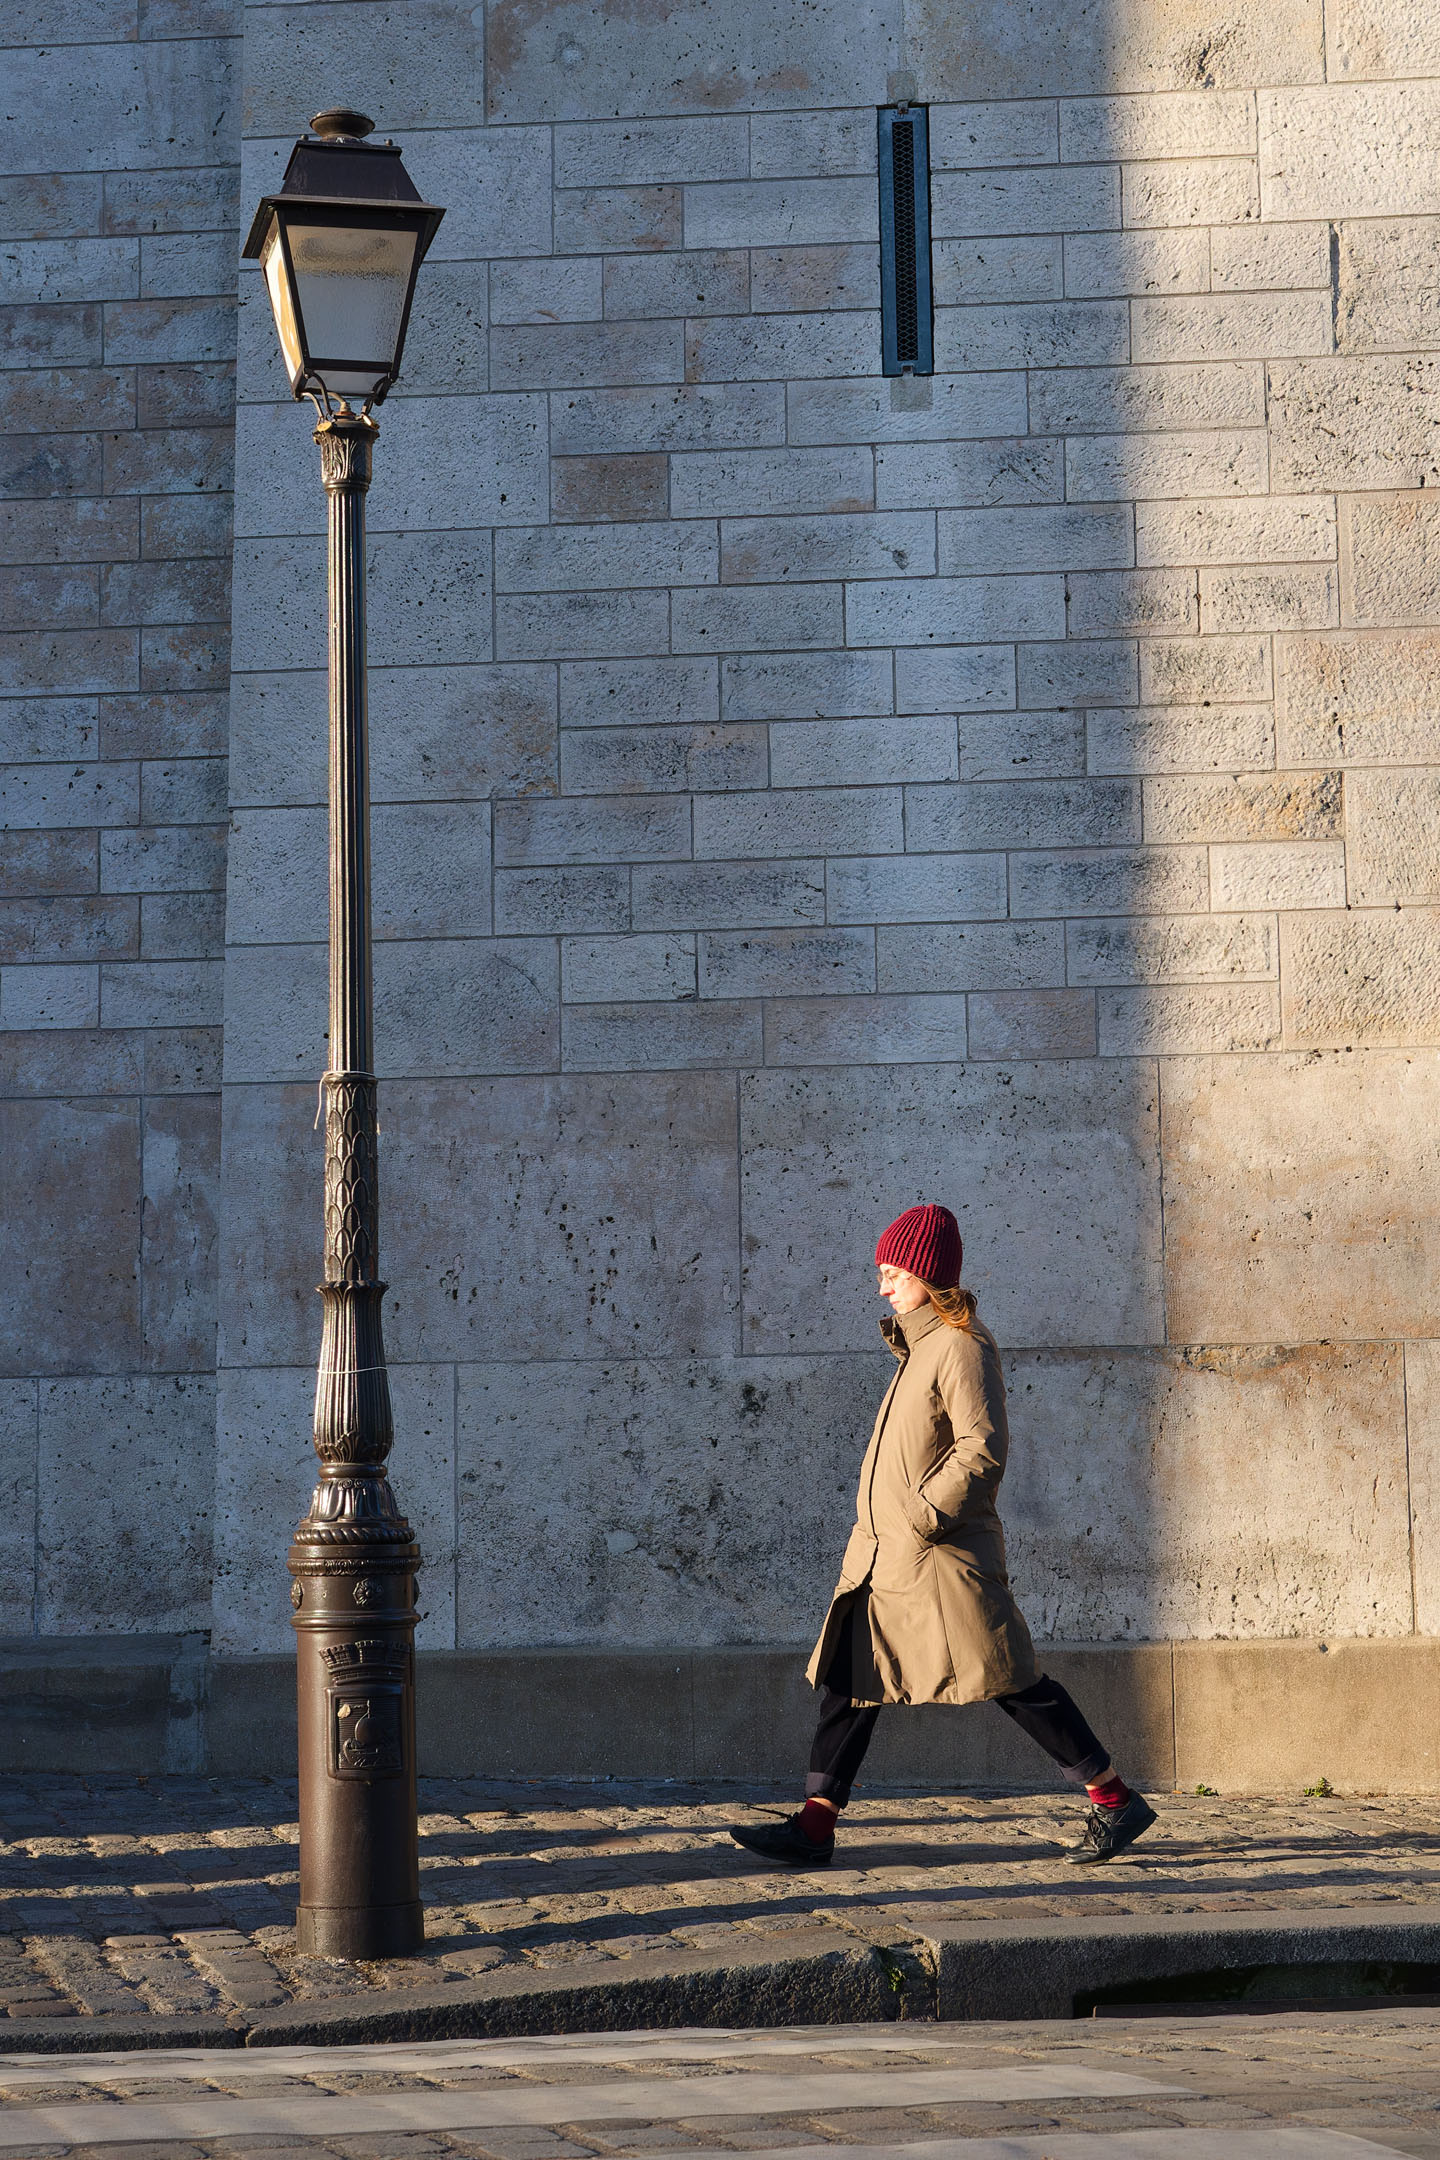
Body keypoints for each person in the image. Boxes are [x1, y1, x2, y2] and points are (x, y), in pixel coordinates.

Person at [730, 1202, 1156, 1869]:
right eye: (882, 1272)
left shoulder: (959, 1347)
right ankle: (815, 1825)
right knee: (852, 1676)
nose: (882, 1285)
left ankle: (1113, 1798)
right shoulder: (919, 1348)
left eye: (894, 1271)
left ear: (929, 1276)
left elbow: (981, 1449)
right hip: (887, 1556)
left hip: (940, 1556)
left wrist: (923, 1516)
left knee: (1010, 1678)